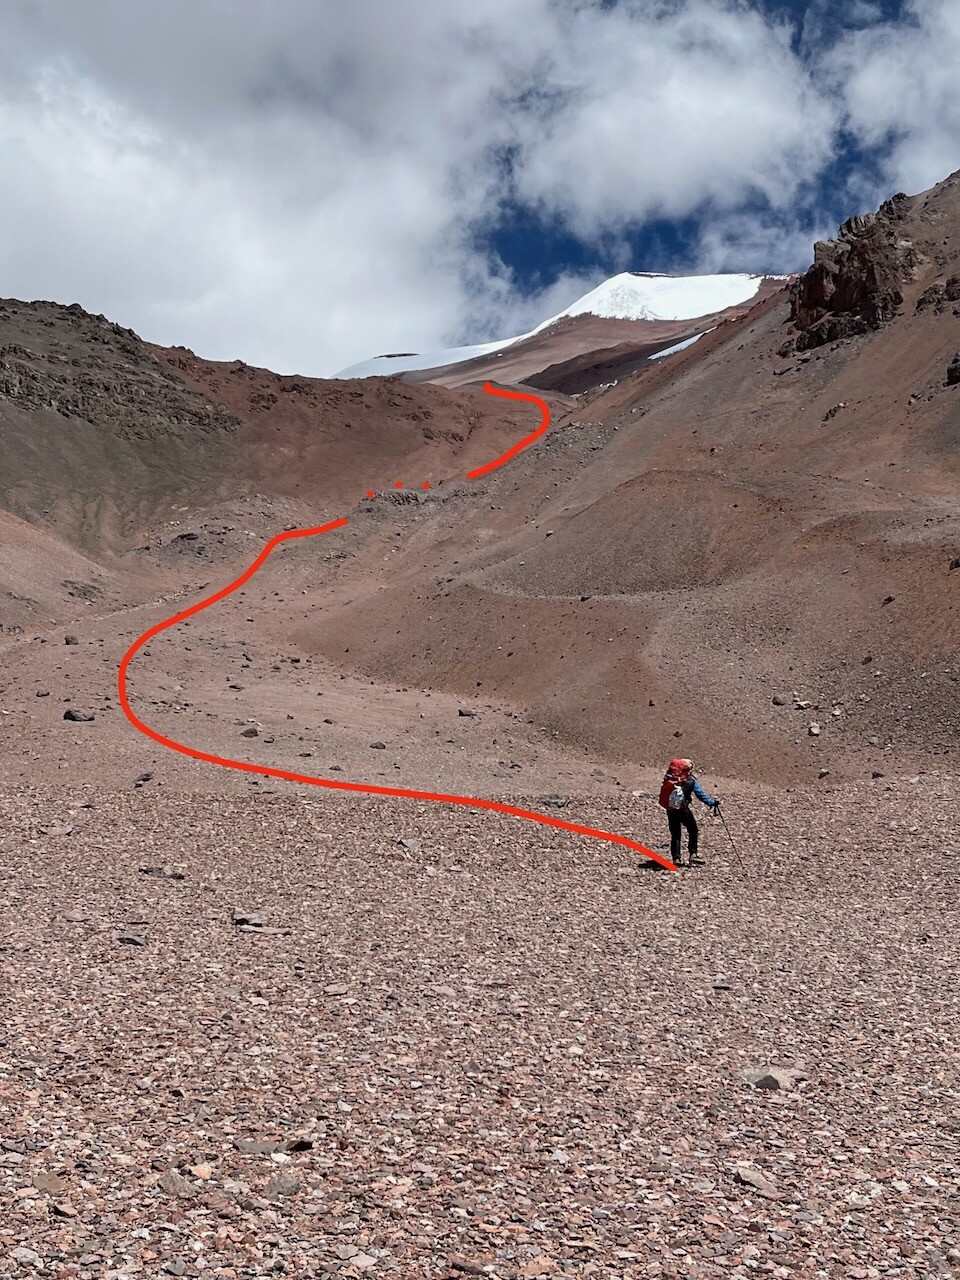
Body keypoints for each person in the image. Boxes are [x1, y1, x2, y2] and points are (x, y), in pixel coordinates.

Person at [658, 757, 720, 868]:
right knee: (693, 830)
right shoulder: (689, 780)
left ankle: (676, 858)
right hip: (683, 809)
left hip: (671, 809)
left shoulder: (670, 777)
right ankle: (693, 854)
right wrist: (712, 803)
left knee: (675, 834)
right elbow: (700, 794)